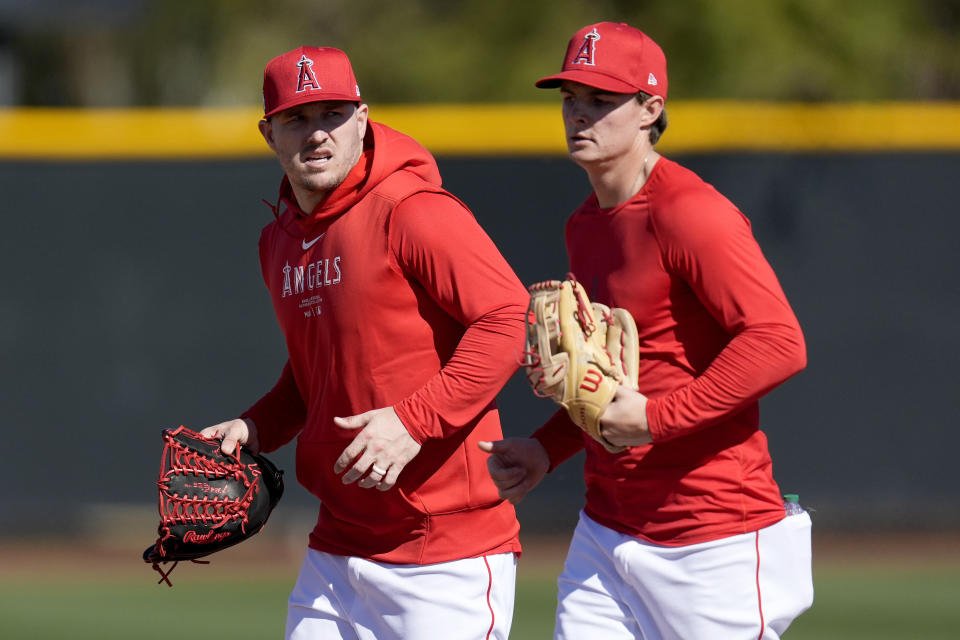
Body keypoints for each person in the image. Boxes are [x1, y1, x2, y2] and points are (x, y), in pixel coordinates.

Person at [479, 22, 814, 639]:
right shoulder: (586, 224)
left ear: (650, 109)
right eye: (570, 98)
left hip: (712, 537)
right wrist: (545, 451)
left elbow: (778, 341)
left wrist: (656, 419)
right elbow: (611, 381)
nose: (580, 114)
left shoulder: (689, 212)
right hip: (607, 530)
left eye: (601, 101)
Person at [199, 46, 528, 640]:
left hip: (443, 552)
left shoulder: (411, 209)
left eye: (333, 113)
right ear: (267, 132)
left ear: (363, 117)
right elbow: (313, 377)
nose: (318, 133)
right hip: (338, 548)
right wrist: (253, 428)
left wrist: (412, 421)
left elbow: (508, 318)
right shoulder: (277, 242)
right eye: (297, 118)